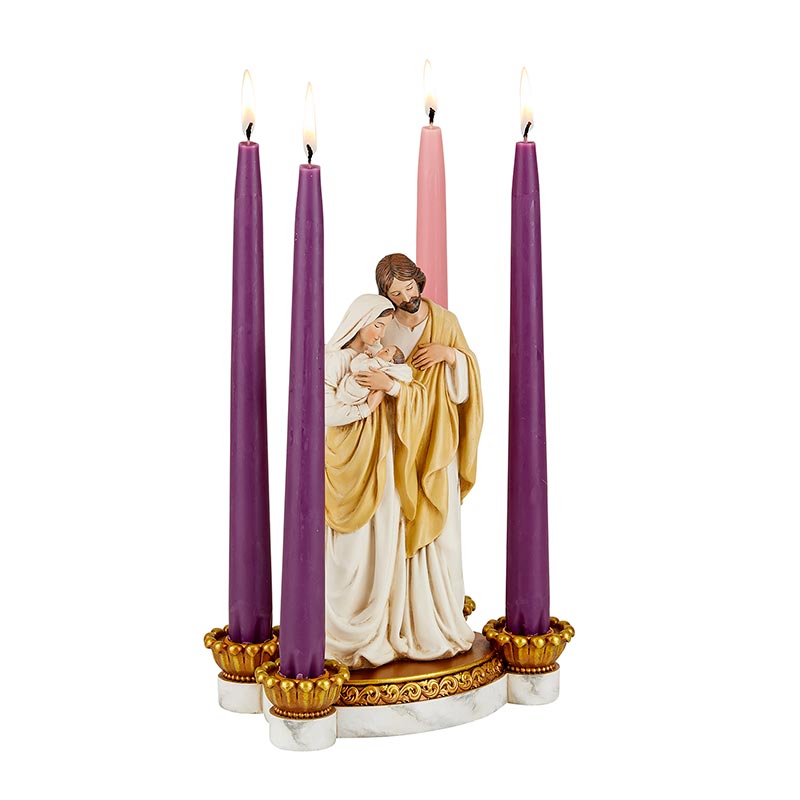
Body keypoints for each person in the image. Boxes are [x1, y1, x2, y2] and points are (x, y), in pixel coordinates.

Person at [324, 253, 483, 669]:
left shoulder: (445, 321)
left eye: (409, 288)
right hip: (390, 439)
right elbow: (356, 375)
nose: (404, 298)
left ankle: (431, 618)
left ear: (419, 282)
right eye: (395, 294)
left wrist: (451, 356)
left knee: (438, 535)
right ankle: (392, 619)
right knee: (390, 528)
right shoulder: (381, 324)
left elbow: (468, 383)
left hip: (434, 439)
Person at [334, 344, 412, 407]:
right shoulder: (387, 370)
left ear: (390, 361)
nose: (381, 350)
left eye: (386, 351)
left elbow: (355, 367)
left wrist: (364, 356)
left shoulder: (375, 363)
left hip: (352, 390)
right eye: (383, 349)